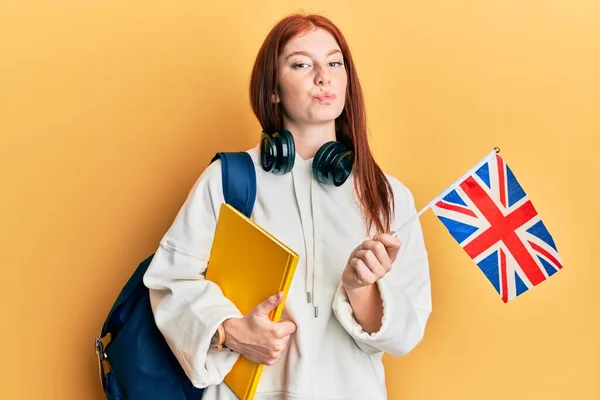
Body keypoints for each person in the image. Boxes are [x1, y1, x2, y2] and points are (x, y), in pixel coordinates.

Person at [143, 12, 432, 400]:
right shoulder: (229, 179)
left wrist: (360, 289)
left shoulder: (389, 196)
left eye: (334, 62)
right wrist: (231, 331)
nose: (323, 76)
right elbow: (168, 282)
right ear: (273, 89)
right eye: (301, 64)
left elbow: (407, 332)